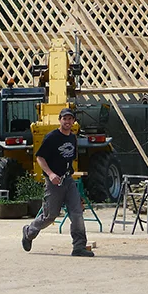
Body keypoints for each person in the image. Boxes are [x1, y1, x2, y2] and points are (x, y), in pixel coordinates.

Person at [21, 108, 94, 257]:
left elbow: (70, 158)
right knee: (50, 215)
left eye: (70, 119)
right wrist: (51, 174)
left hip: (68, 181)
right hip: (53, 183)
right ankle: (29, 232)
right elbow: (40, 157)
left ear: (73, 121)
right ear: (60, 120)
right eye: (64, 119)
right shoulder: (52, 137)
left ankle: (78, 246)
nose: (67, 122)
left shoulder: (72, 138)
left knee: (77, 213)